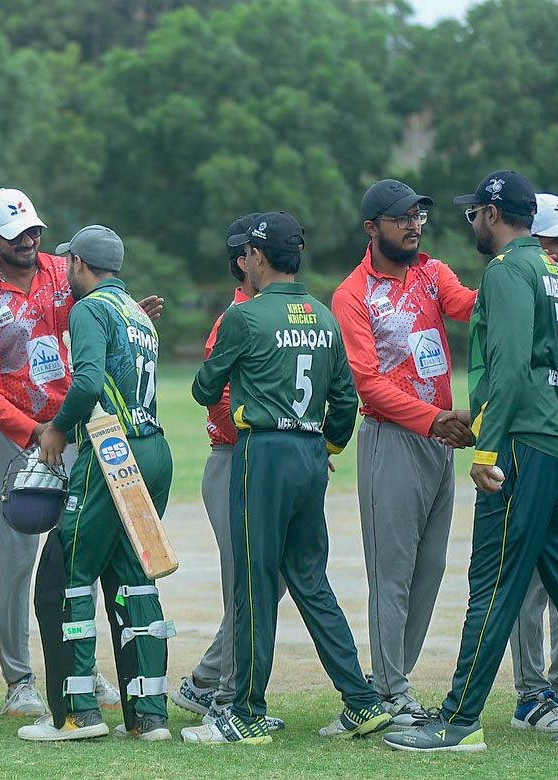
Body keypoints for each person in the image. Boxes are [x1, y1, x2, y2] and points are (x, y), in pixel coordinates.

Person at [184, 212, 388, 745]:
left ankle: (245, 713)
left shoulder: (245, 316)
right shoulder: (323, 316)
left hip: (263, 454)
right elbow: (345, 401)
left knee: (254, 583)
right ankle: (362, 702)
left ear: (255, 256)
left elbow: (204, 389)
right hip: (311, 454)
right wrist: (326, 446)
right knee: (311, 581)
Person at [386, 170, 558, 753]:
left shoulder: (509, 268)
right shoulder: (554, 271)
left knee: (491, 584)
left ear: (492, 214)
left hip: (522, 444)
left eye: (474, 214)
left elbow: (509, 367)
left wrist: (486, 448)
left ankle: (459, 721)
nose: (472, 223)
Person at [0, 188, 135, 716]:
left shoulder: (67, 274)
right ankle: (19, 679)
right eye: (16, 235)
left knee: (81, 552)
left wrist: (129, 319)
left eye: (34, 230)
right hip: (19, 438)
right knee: (17, 562)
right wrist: (34, 433)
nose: (29, 240)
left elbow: (99, 326)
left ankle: (82, 668)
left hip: (78, 428)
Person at [15, 225, 174, 743]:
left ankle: (77, 713)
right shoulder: (137, 314)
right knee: (135, 574)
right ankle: (149, 716)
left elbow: (86, 382)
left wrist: (58, 429)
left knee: (72, 571)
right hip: (154, 448)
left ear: (79, 263)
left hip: (112, 448)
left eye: (68, 262)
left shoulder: (88, 308)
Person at [331, 179, 477, 725]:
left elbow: (470, 307)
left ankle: (392, 681)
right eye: (401, 217)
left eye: (418, 216)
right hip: (392, 439)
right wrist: (434, 419)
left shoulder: (433, 273)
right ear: (372, 228)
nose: (414, 225)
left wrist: (523, 275)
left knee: (430, 570)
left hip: (441, 441)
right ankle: (391, 689)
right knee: (391, 574)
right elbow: (366, 382)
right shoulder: (353, 294)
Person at [171, 214, 286, 732]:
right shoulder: (234, 318)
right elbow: (216, 400)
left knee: (269, 580)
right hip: (234, 461)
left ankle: (206, 682)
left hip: (264, 460)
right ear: (244, 260)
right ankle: (221, 696)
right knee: (245, 584)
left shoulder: (274, 315)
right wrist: (265, 442)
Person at [499, 192, 558, 733]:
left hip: (554, 439)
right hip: (539, 439)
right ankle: (533, 692)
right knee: (529, 576)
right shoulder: (528, 279)